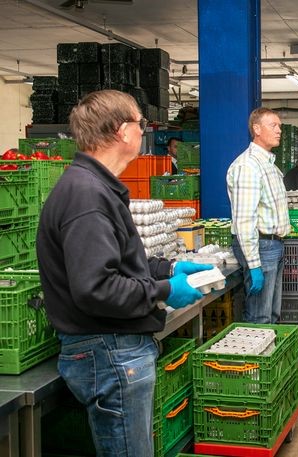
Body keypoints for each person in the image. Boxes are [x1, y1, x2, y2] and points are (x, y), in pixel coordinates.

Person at [36, 90, 212, 457]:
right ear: (120, 130)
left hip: (113, 348)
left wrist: (171, 268)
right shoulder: (86, 196)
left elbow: (117, 262)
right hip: (109, 350)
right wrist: (163, 291)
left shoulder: (96, 188)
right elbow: (96, 287)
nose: (143, 131)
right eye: (139, 123)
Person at [227, 107, 290, 324]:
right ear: (257, 129)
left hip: (274, 246)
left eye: (279, 126)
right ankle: (256, 358)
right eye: (273, 125)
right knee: (259, 317)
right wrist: (254, 265)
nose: (279, 130)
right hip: (262, 248)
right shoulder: (248, 166)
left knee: (272, 314)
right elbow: (245, 220)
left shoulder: (269, 165)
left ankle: (269, 356)